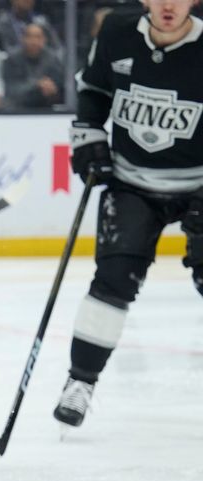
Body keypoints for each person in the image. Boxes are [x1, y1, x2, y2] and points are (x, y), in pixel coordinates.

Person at [53, 0, 202, 428]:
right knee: (113, 281)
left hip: (200, 182)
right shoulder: (117, 32)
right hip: (133, 181)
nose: (168, 4)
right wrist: (87, 139)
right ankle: (80, 382)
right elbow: (94, 91)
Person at [1, 22, 62, 109]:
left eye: (38, 37)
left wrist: (53, 89)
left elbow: (61, 86)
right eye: (30, 37)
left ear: (44, 40)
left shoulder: (52, 59)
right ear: (23, 39)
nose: (34, 41)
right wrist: (37, 85)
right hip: (18, 110)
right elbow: (10, 90)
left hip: (47, 109)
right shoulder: (12, 59)